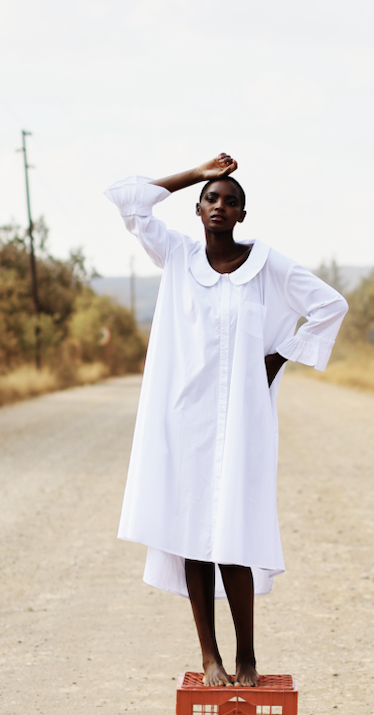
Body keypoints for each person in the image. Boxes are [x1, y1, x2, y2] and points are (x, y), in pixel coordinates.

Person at [104, 154, 348, 687]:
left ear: (242, 213)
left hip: (243, 419)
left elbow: (331, 305)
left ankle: (247, 656)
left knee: (233, 532)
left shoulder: (268, 266)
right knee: (193, 533)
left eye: (229, 200)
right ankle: (209, 655)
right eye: (211, 198)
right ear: (197, 208)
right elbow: (128, 196)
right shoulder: (176, 255)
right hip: (186, 415)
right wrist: (195, 172)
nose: (219, 205)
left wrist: (281, 355)